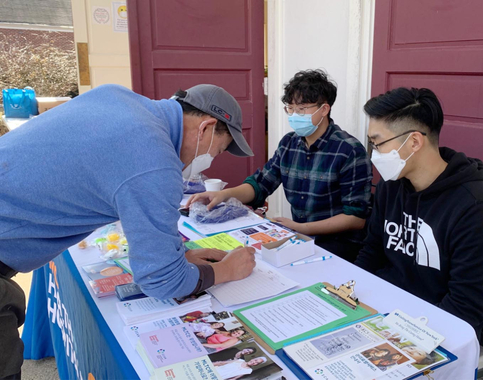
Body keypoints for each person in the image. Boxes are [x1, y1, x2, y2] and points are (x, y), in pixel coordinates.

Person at [0, 83, 257, 379]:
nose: (212, 160)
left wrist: (180, 253)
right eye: (219, 150)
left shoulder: (116, 97)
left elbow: (127, 195)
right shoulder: (154, 160)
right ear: (206, 128)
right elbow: (160, 281)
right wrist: (227, 271)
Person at [355, 87, 483, 339]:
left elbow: (466, 309)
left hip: (434, 327)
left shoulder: (477, 211)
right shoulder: (390, 186)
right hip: (385, 309)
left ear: (414, 141)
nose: (374, 154)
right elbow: (371, 251)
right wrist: (351, 294)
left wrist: (400, 337)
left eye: (378, 143)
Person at [188, 70, 373, 261]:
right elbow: (260, 185)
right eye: (290, 109)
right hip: (299, 239)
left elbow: (356, 218)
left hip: (337, 246)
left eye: (301, 109)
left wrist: (302, 228)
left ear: (324, 109)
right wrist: (222, 195)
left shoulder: (349, 150)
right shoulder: (289, 143)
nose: (294, 115)